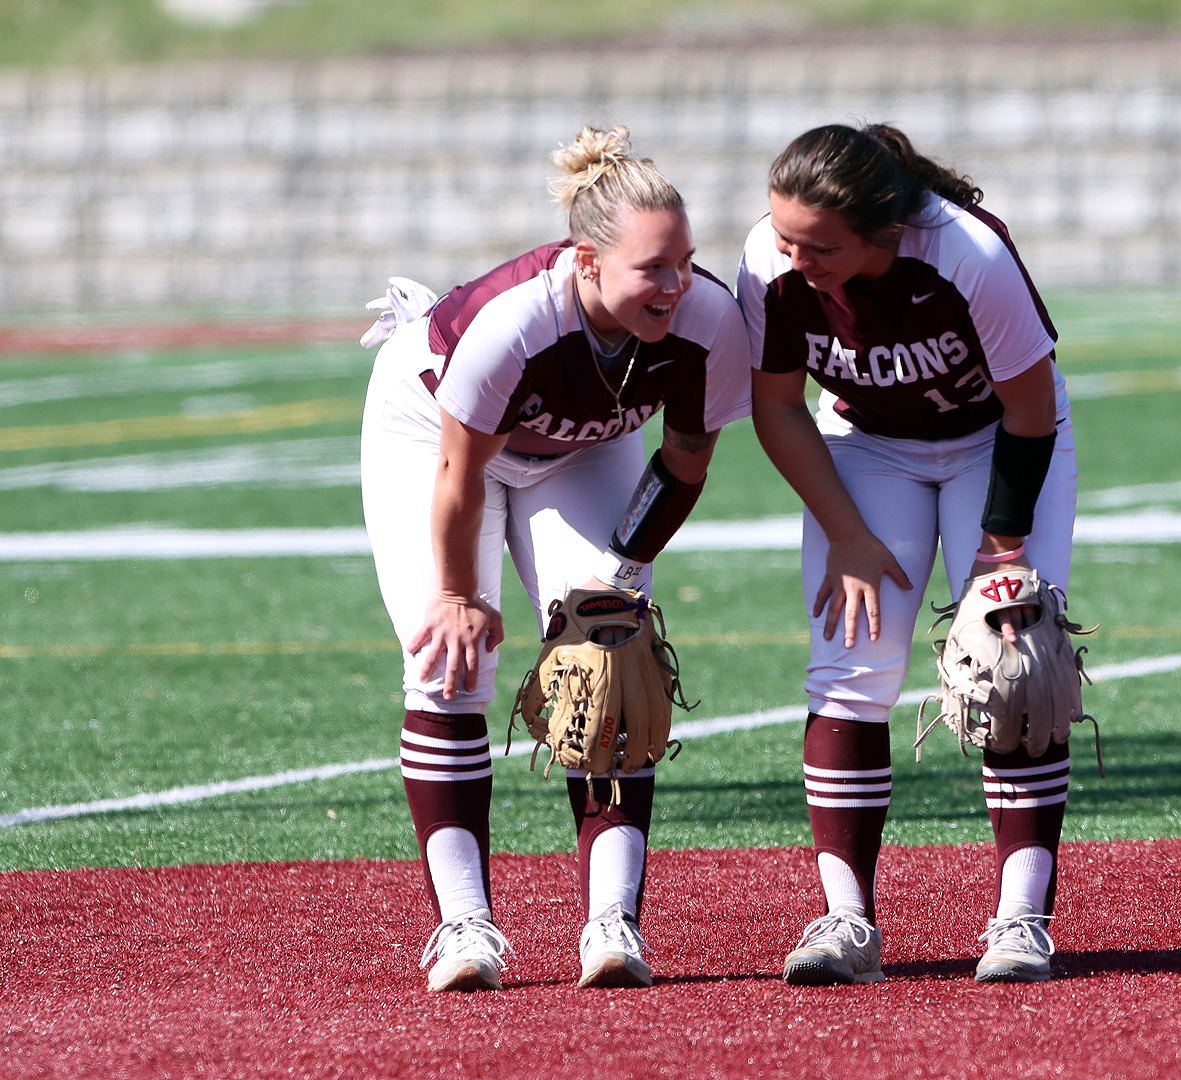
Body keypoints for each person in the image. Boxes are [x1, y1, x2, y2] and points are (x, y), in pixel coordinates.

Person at [358, 125, 751, 993]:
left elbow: (685, 464)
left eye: (684, 260)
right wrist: (460, 593)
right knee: (450, 667)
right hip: (432, 434)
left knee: (612, 656)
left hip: (580, 451)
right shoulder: (516, 322)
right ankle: (465, 928)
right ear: (587, 262)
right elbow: (461, 474)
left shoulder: (709, 321)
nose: (676, 282)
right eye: (653, 267)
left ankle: (613, 924)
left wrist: (618, 579)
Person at [736, 123, 1080, 985]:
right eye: (784, 236)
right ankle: (846, 920)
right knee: (849, 666)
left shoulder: (966, 251)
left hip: (994, 440)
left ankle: (1021, 920)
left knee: (1015, 660)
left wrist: (999, 555)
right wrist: (846, 533)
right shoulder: (771, 265)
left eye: (819, 245)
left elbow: (1030, 409)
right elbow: (777, 407)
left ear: (884, 231)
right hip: (866, 441)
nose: (793, 255)